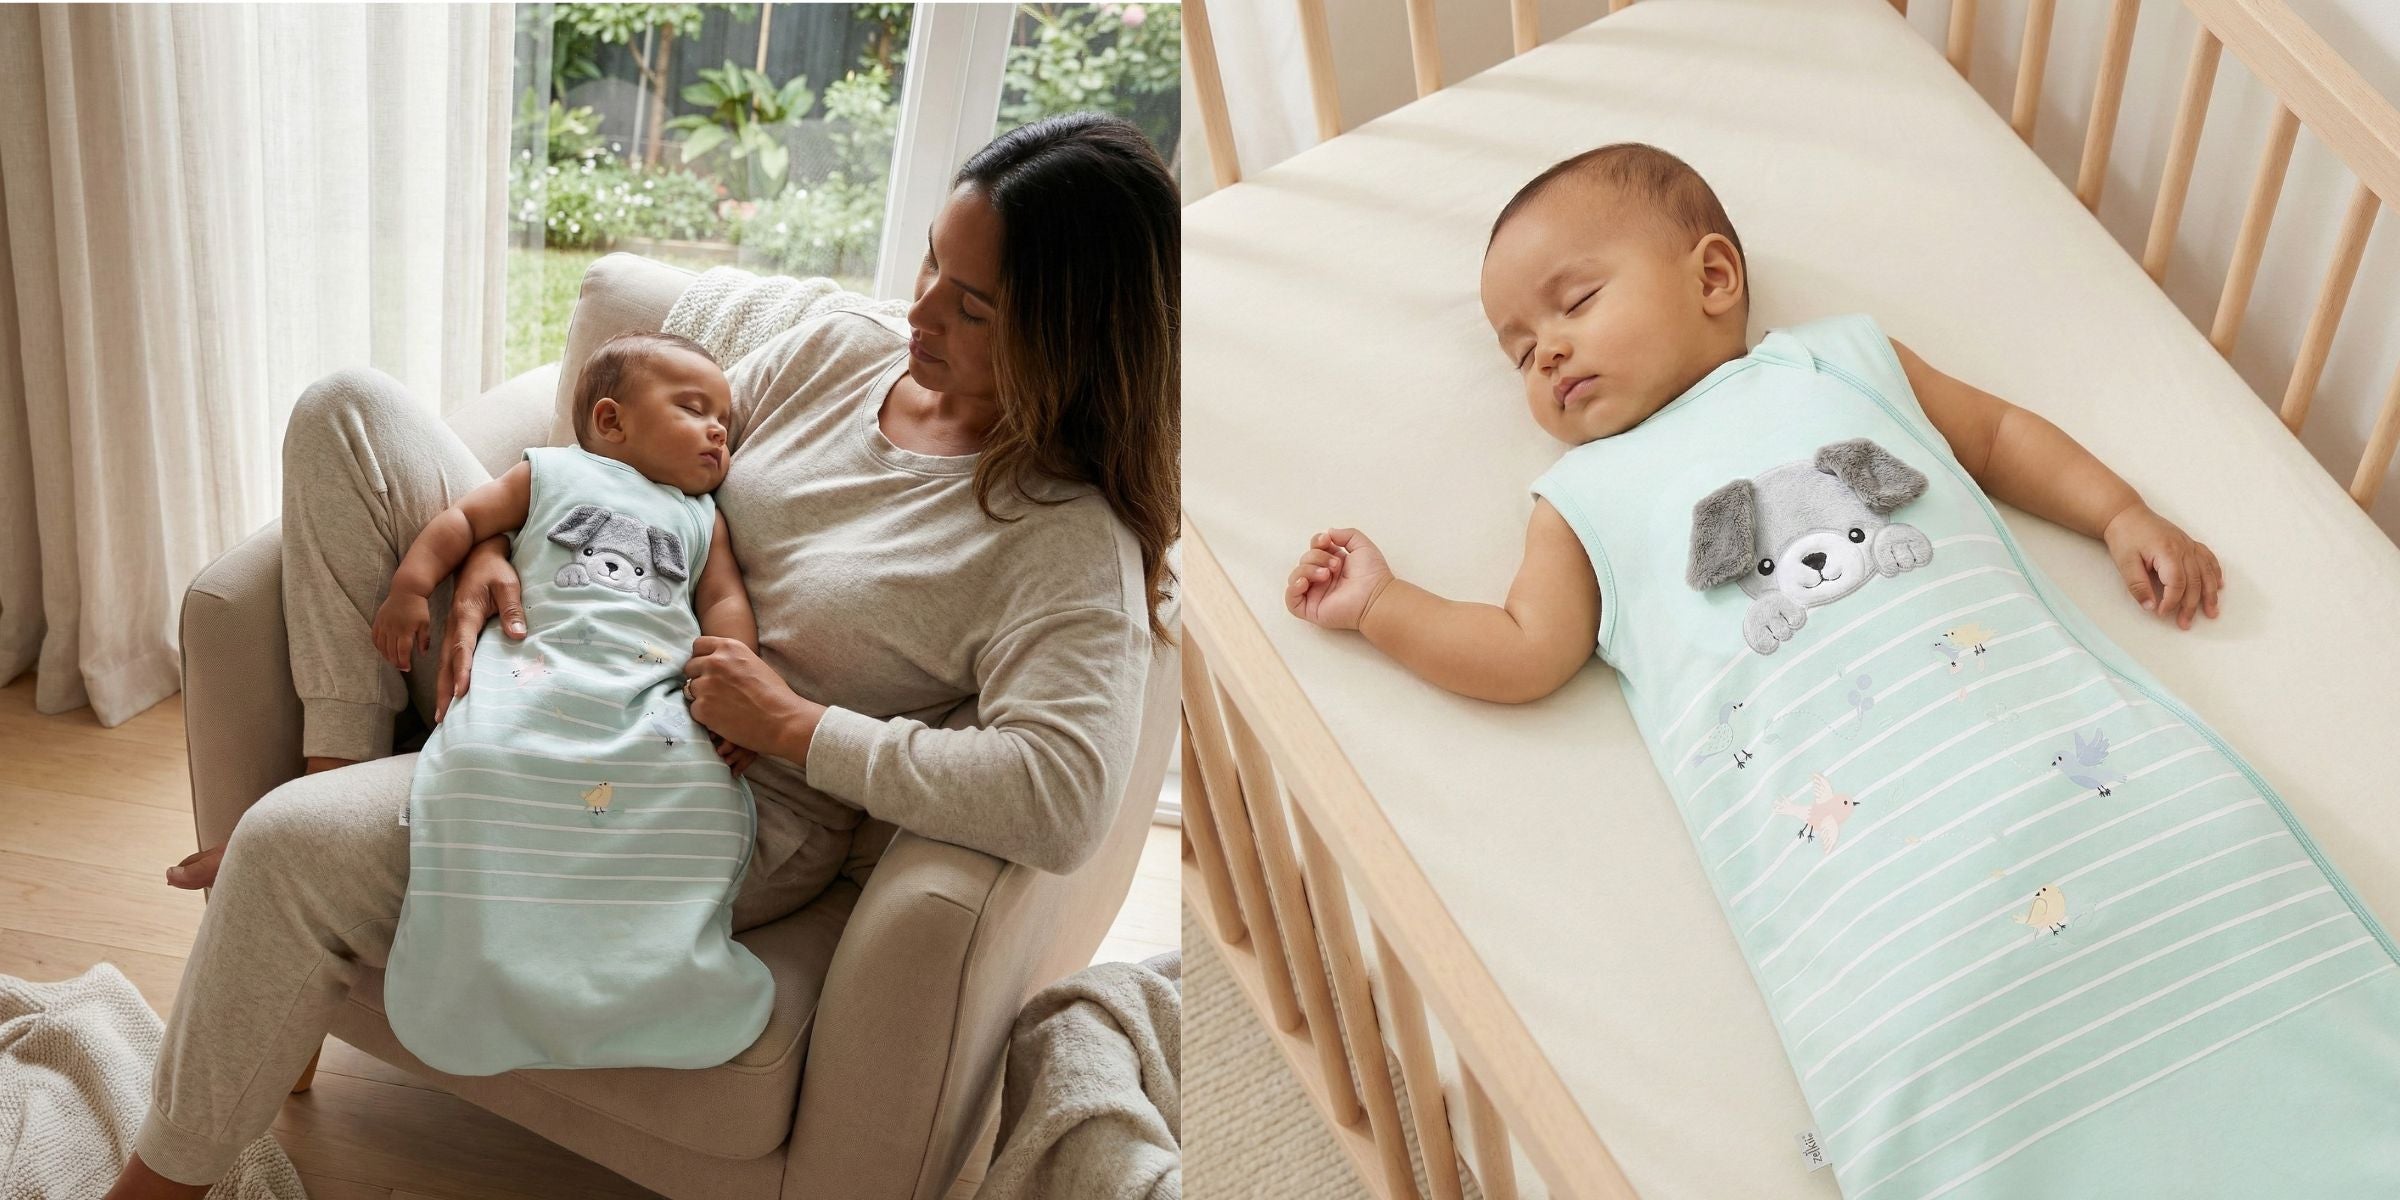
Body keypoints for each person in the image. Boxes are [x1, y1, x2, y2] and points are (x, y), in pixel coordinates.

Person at [1280, 143, 2400, 1192]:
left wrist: (2117, 513)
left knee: (2203, 878)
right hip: (1872, 885)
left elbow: (1999, 439)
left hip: (2056, 764)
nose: (1551, 352)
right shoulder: (1582, 500)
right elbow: (1525, 649)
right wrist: (1386, 606)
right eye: (1523, 352)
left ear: (1713, 274)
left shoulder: (1843, 362)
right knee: (1930, 1041)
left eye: (1574, 304)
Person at [110, 111, 1178, 1199]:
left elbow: (1063, 795)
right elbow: (637, 453)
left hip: (690, 784)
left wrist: (799, 728)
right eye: (930, 266)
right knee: (347, 410)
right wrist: (496, 541)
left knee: (286, 853)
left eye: (973, 304)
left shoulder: (1063, 536)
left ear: (1072, 335)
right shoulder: (836, 355)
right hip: (563, 645)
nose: (918, 312)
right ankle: (339, 770)